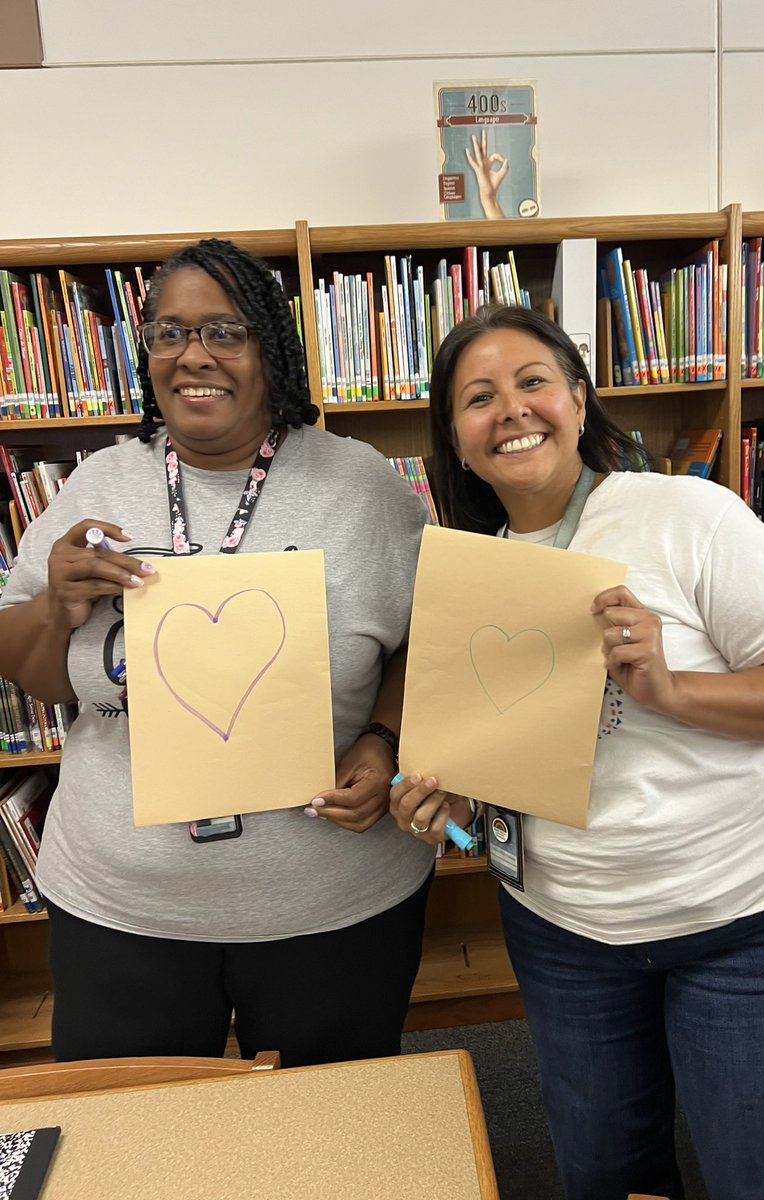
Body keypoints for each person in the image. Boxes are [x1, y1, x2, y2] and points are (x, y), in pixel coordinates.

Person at [390, 305, 764, 1200]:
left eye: (533, 382)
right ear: (454, 440)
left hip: (747, 921)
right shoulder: (469, 573)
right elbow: (510, 755)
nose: (512, 411)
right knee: (608, 1179)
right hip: (567, 934)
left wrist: (671, 690)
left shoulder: (684, 514)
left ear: (577, 396)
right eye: (479, 398)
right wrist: (455, 800)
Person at [0, 238, 435, 1069]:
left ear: (271, 351)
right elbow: (29, 665)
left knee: (337, 1142)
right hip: (121, 909)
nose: (193, 355)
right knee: (136, 1147)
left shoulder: (363, 488)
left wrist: (382, 745)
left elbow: (423, 644)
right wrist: (57, 605)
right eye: (169, 333)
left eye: (225, 331)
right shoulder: (95, 488)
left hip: (333, 903)